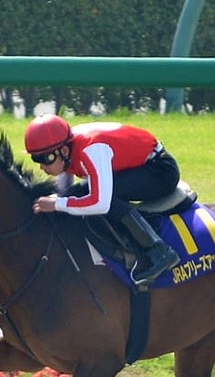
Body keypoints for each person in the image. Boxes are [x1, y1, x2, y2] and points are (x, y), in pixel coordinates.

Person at [24, 114, 181, 285]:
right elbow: (64, 191)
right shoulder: (65, 146)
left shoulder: (91, 150)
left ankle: (159, 251)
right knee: (79, 192)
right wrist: (55, 201)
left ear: (64, 151)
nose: (42, 166)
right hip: (142, 165)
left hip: (161, 171)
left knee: (104, 197)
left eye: (45, 159)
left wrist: (57, 204)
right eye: (36, 159)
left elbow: (100, 203)